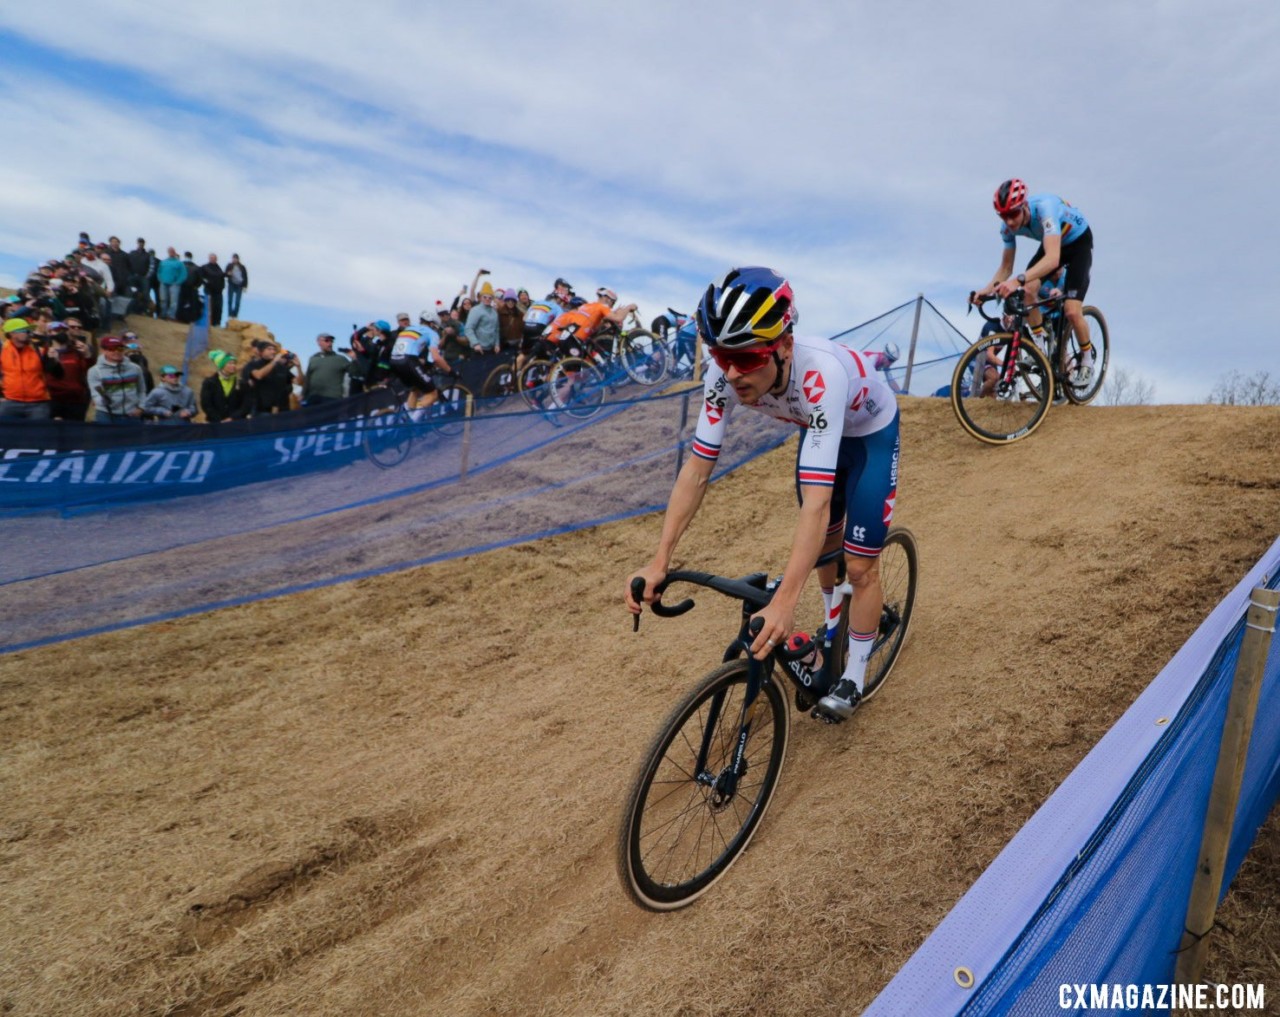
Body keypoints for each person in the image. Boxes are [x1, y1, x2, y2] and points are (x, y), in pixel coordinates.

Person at [624, 267, 901, 721]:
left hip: (869, 434)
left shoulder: (821, 375)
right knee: (826, 549)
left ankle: (854, 670)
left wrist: (786, 602)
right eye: (719, 354)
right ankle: (832, 631)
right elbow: (695, 472)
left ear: (785, 345)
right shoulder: (722, 375)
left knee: (859, 564)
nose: (731, 372)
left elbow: (816, 503)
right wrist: (660, 560)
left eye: (747, 358)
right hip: (818, 430)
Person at [974, 179, 1095, 385]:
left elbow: (1052, 259)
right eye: (1004, 216)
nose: (1009, 222)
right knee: (1028, 290)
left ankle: (1086, 359)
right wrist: (985, 292)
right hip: (1053, 245)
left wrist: (1017, 281)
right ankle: (1038, 350)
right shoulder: (1006, 229)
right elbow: (1005, 268)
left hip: (1077, 243)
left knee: (1072, 311)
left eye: (1013, 214)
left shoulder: (1045, 209)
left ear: (1024, 206)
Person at [388, 323, 455, 417]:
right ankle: (413, 423)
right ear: (432, 324)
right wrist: (451, 371)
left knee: (415, 389)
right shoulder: (432, 333)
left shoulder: (409, 328)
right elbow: (436, 358)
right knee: (433, 394)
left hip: (394, 361)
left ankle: (408, 416)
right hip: (408, 361)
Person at [0, 318, 62, 420]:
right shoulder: (2, 350)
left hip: (38, 404)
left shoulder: (39, 349)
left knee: (38, 435)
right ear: (12, 334)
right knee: (6, 435)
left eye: (29, 331)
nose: (29, 333)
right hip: (10, 402)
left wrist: (55, 361)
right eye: (25, 331)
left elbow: (58, 375)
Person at [86, 335, 147, 423]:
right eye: (111, 349)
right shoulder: (94, 371)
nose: (116, 351)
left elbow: (142, 390)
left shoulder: (135, 368)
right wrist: (102, 400)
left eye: (120, 348)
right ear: (104, 350)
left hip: (132, 415)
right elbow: (95, 394)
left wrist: (141, 407)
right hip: (106, 415)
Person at [43, 322, 96, 420]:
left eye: (63, 330)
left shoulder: (77, 351)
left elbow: (89, 371)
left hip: (76, 399)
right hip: (53, 399)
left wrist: (88, 355)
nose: (61, 333)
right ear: (49, 333)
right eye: (57, 330)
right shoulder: (44, 352)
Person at [242, 340, 298, 414]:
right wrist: (274, 361)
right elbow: (259, 376)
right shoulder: (252, 365)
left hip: (283, 410)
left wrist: (298, 367)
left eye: (274, 349)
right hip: (262, 410)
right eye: (269, 349)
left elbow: (298, 382)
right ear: (261, 352)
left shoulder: (281, 367)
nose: (273, 351)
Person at [303, 333, 353, 404]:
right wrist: (303, 394)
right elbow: (308, 378)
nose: (330, 343)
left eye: (331, 341)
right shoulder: (313, 359)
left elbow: (355, 372)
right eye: (327, 341)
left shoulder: (340, 359)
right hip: (313, 398)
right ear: (319, 342)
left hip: (332, 398)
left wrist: (354, 358)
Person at [464, 289, 500, 353]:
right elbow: (468, 328)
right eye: (485, 297)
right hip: (478, 348)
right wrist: (475, 343)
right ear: (481, 297)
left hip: (491, 348)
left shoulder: (494, 312)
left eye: (490, 298)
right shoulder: (475, 310)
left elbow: (496, 329)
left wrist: (497, 344)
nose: (487, 299)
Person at [157, 248, 185, 319]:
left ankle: (171, 316)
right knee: (163, 299)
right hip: (163, 283)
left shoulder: (179, 263)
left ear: (175, 253)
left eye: (173, 252)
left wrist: (177, 282)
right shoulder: (163, 262)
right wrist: (160, 279)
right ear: (168, 252)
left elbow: (183, 274)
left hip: (174, 284)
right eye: (170, 251)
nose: (171, 253)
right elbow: (159, 272)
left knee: (174, 302)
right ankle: (163, 314)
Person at [200, 254, 226, 326]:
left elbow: (222, 278)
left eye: (214, 258)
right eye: (211, 258)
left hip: (218, 291)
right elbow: (201, 276)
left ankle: (217, 323)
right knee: (209, 307)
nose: (213, 259)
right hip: (209, 290)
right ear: (209, 258)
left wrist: (222, 287)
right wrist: (206, 282)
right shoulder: (205, 267)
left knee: (218, 307)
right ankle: (208, 322)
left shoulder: (219, 268)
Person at [225, 253, 248, 319]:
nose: (234, 260)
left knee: (237, 301)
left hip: (239, 285)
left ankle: (235, 315)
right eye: (233, 258)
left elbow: (245, 276)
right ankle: (230, 314)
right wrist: (228, 274)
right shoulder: (229, 265)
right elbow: (225, 274)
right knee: (230, 300)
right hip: (231, 284)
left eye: (235, 258)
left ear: (238, 259)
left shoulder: (242, 267)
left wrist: (245, 286)